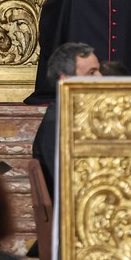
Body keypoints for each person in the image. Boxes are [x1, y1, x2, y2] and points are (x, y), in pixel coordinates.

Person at [31, 42, 100, 192]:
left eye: (98, 71)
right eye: (91, 72)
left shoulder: (78, 117)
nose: (100, 77)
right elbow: (70, 186)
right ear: (66, 79)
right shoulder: (57, 125)